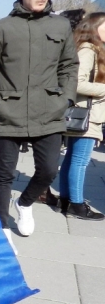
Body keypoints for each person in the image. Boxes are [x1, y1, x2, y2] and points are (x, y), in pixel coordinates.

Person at [0, 0, 79, 242]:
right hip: (9, 113)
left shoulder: (60, 26)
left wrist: (66, 99)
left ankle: (24, 204)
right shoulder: (1, 28)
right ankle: (2, 228)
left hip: (50, 111)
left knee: (48, 169)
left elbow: (69, 66)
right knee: (2, 175)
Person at [53, 13, 105, 220]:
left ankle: (66, 199)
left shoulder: (89, 49)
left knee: (73, 159)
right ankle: (76, 204)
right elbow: (76, 83)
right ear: (95, 27)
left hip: (85, 113)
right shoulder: (88, 50)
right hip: (87, 115)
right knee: (80, 161)